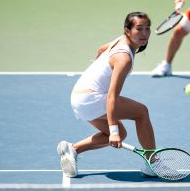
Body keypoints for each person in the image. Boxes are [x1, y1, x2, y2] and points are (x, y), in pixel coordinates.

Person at [57, 12, 157, 178]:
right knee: (141, 112)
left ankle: (72, 149)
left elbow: (101, 49)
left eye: (147, 29)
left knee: (122, 133)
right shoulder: (124, 58)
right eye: (139, 29)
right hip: (91, 99)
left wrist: (96, 71)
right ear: (128, 30)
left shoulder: (121, 39)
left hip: (78, 97)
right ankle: (152, 163)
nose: (144, 34)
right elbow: (112, 97)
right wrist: (113, 130)